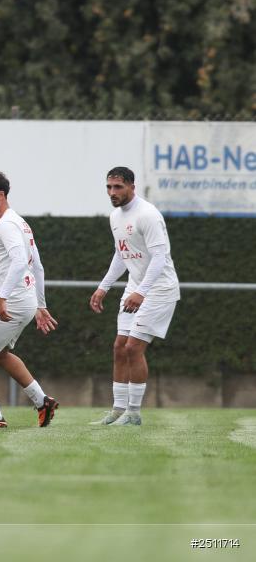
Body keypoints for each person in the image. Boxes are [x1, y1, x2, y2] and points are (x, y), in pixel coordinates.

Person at [0, 170, 59, 429]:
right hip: (24, 300)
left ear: (1, 194)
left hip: (15, 301)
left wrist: (2, 297)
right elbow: (37, 265)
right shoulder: (20, 223)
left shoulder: (6, 225)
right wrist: (40, 305)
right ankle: (43, 402)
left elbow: (21, 262)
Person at [88, 167, 180, 426]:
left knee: (133, 348)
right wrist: (103, 286)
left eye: (118, 187)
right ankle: (117, 410)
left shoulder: (148, 214)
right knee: (119, 347)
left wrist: (142, 292)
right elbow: (122, 254)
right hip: (136, 287)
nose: (112, 192)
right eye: (109, 187)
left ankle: (134, 413)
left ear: (131, 186)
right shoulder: (115, 216)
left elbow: (160, 258)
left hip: (159, 289)